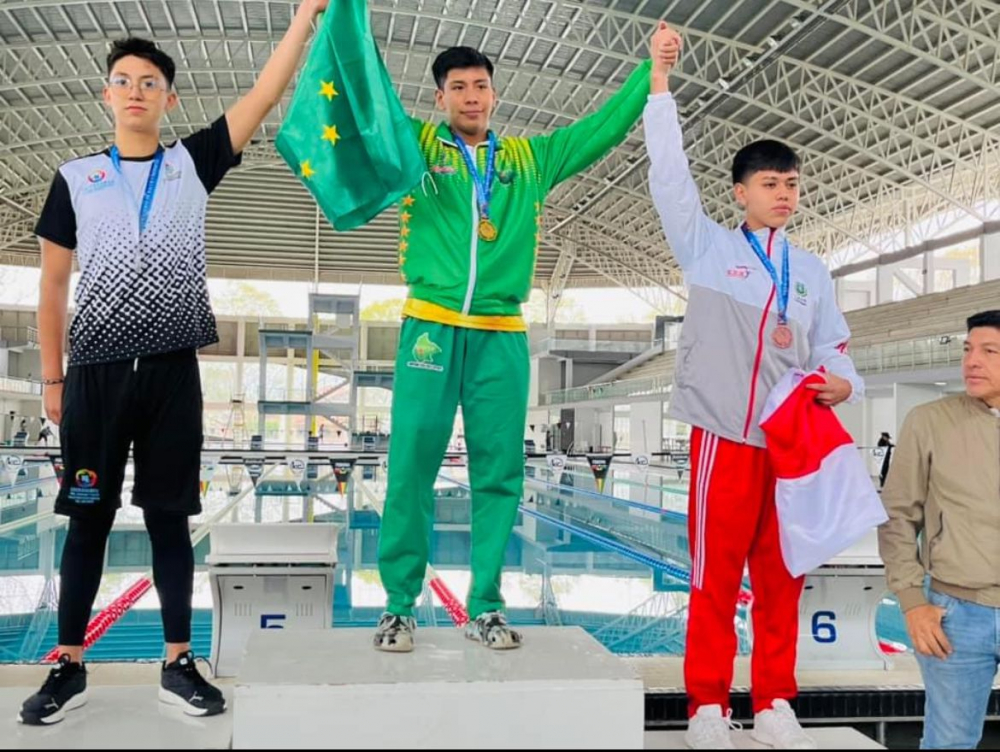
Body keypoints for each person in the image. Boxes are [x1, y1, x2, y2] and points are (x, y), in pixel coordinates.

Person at [20, 1, 328, 726]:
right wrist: (53, 377)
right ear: (107, 93)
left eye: (150, 81)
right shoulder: (74, 178)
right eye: (123, 79)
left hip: (170, 375)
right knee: (87, 521)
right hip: (93, 375)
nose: (135, 90)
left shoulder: (191, 163)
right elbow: (52, 288)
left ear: (168, 97)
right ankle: (67, 665)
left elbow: (263, 95)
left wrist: (303, 19)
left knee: (169, 518)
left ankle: (177, 662)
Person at [372, 35, 659, 653]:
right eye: (458, 88)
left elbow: (600, 130)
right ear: (439, 96)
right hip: (430, 324)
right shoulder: (416, 145)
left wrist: (649, 70)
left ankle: (486, 606)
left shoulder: (529, 160)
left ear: (494, 93)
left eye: (480, 86)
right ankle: (398, 606)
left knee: (498, 476)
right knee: (410, 469)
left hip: (501, 333)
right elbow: (367, 93)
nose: (471, 97)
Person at [645, 25, 864, 750]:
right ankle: (707, 706)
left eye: (792, 184)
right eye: (770, 184)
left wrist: (843, 382)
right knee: (713, 580)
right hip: (725, 442)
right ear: (740, 192)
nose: (784, 194)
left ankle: (772, 700)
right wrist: (659, 83)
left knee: (783, 578)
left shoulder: (812, 272)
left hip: (791, 444)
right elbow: (669, 177)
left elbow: (834, 347)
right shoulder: (708, 248)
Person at [879, 311, 1000, 750]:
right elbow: (897, 517)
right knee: (948, 742)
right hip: (956, 613)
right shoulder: (929, 420)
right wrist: (912, 602)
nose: (972, 361)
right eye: (968, 349)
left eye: (990, 352)